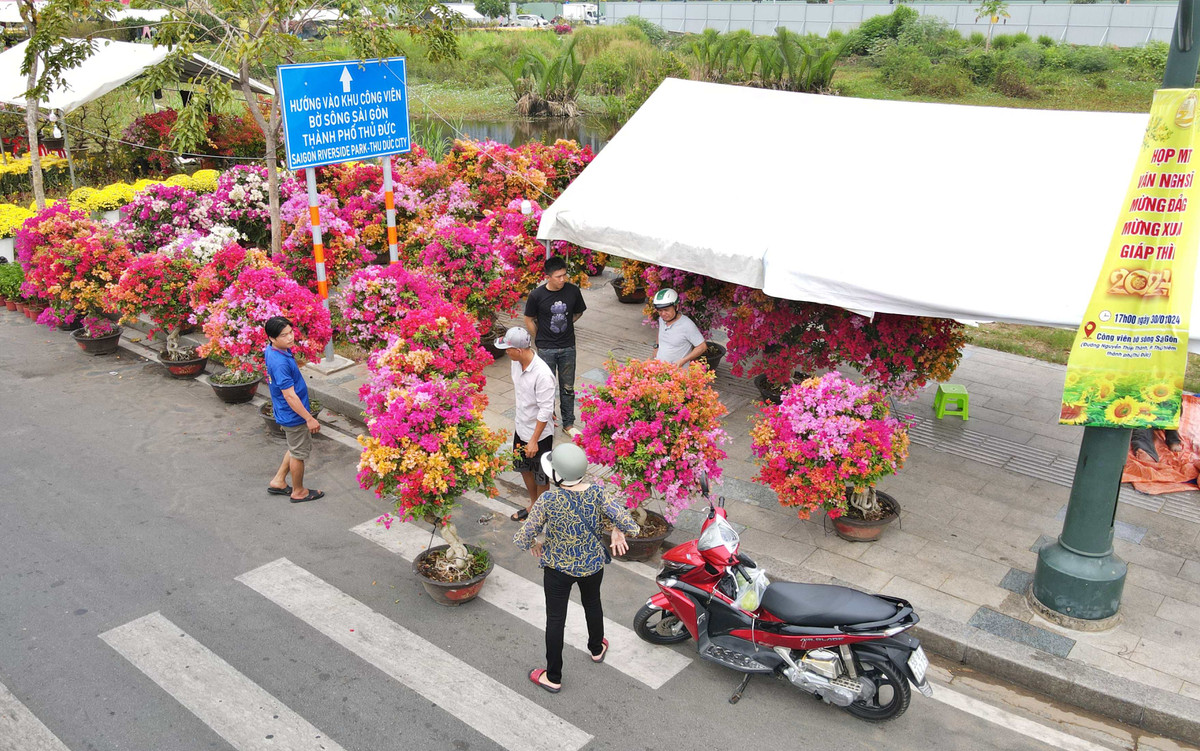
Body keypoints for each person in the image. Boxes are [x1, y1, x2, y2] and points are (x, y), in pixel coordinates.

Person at [514, 443, 639, 693]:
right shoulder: (598, 493)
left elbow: (522, 537)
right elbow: (631, 526)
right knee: (593, 604)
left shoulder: (548, 499)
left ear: (557, 475)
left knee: (556, 620)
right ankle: (596, 648)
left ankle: (553, 676)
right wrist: (616, 530)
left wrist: (535, 544)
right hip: (592, 566)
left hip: (557, 570)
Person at [495, 326, 556, 522]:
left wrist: (534, 440)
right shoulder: (516, 362)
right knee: (524, 468)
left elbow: (545, 410)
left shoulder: (543, 374)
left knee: (541, 476)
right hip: (521, 426)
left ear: (519, 350)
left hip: (539, 435)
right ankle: (533, 505)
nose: (506, 351)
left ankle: (541, 512)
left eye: (508, 348)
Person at [524, 256, 586, 439]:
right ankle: (548, 419)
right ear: (548, 277)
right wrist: (540, 337)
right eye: (558, 276)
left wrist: (566, 323)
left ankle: (568, 423)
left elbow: (578, 312)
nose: (562, 280)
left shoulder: (573, 291)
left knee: (567, 387)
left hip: (568, 347)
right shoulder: (536, 295)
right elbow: (528, 319)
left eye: (564, 275)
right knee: (545, 387)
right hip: (546, 349)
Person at [264, 316, 324, 503]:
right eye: (284, 335)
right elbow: (289, 395)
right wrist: (309, 418)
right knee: (298, 454)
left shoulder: (273, 350)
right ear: (272, 338)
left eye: (291, 332)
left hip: (285, 411)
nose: (290, 338)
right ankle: (299, 491)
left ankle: (279, 481)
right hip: (293, 415)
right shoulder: (280, 363)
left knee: (294, 446)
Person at [651, 288, 707, 367]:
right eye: (660, 310)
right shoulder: (662, 319)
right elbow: (660, 332)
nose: (663, 313)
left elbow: (702, 347)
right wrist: (656, 347)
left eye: (666, 310)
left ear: (676, 307)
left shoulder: (687, 325)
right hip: (659, 367)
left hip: (677, 372)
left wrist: (683, 361)